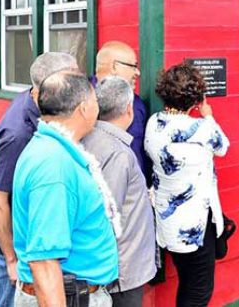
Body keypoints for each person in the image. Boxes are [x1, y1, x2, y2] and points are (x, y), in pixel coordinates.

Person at [12, 71, 119, 307]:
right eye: (95, 101)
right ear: (83, 108)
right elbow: (44, 260)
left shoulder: (51, 148)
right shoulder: (54, 167)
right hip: (70, 298)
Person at [0, 52, 78, 307]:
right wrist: (11, 260)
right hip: (12, 247)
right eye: (75, 78)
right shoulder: (17, 134)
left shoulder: (39, 103)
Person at [144, 63, 230, 307]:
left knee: (187, 280)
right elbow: (223, 146)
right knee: (199, 291)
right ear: (196, 98)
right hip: (196, 224)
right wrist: (208, 114)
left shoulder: (154, 122)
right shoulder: (201, 128)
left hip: (168, 220)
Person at [82, 76, 157, 307]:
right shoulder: (117, 153)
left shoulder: (89, 138)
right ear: (128, 109)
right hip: (121, 272)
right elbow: (108, 214)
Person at [94, 41, 150, 177]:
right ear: (114, 66)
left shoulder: (136, 103)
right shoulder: (82, 99)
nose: (138, 72)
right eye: (133, 66)